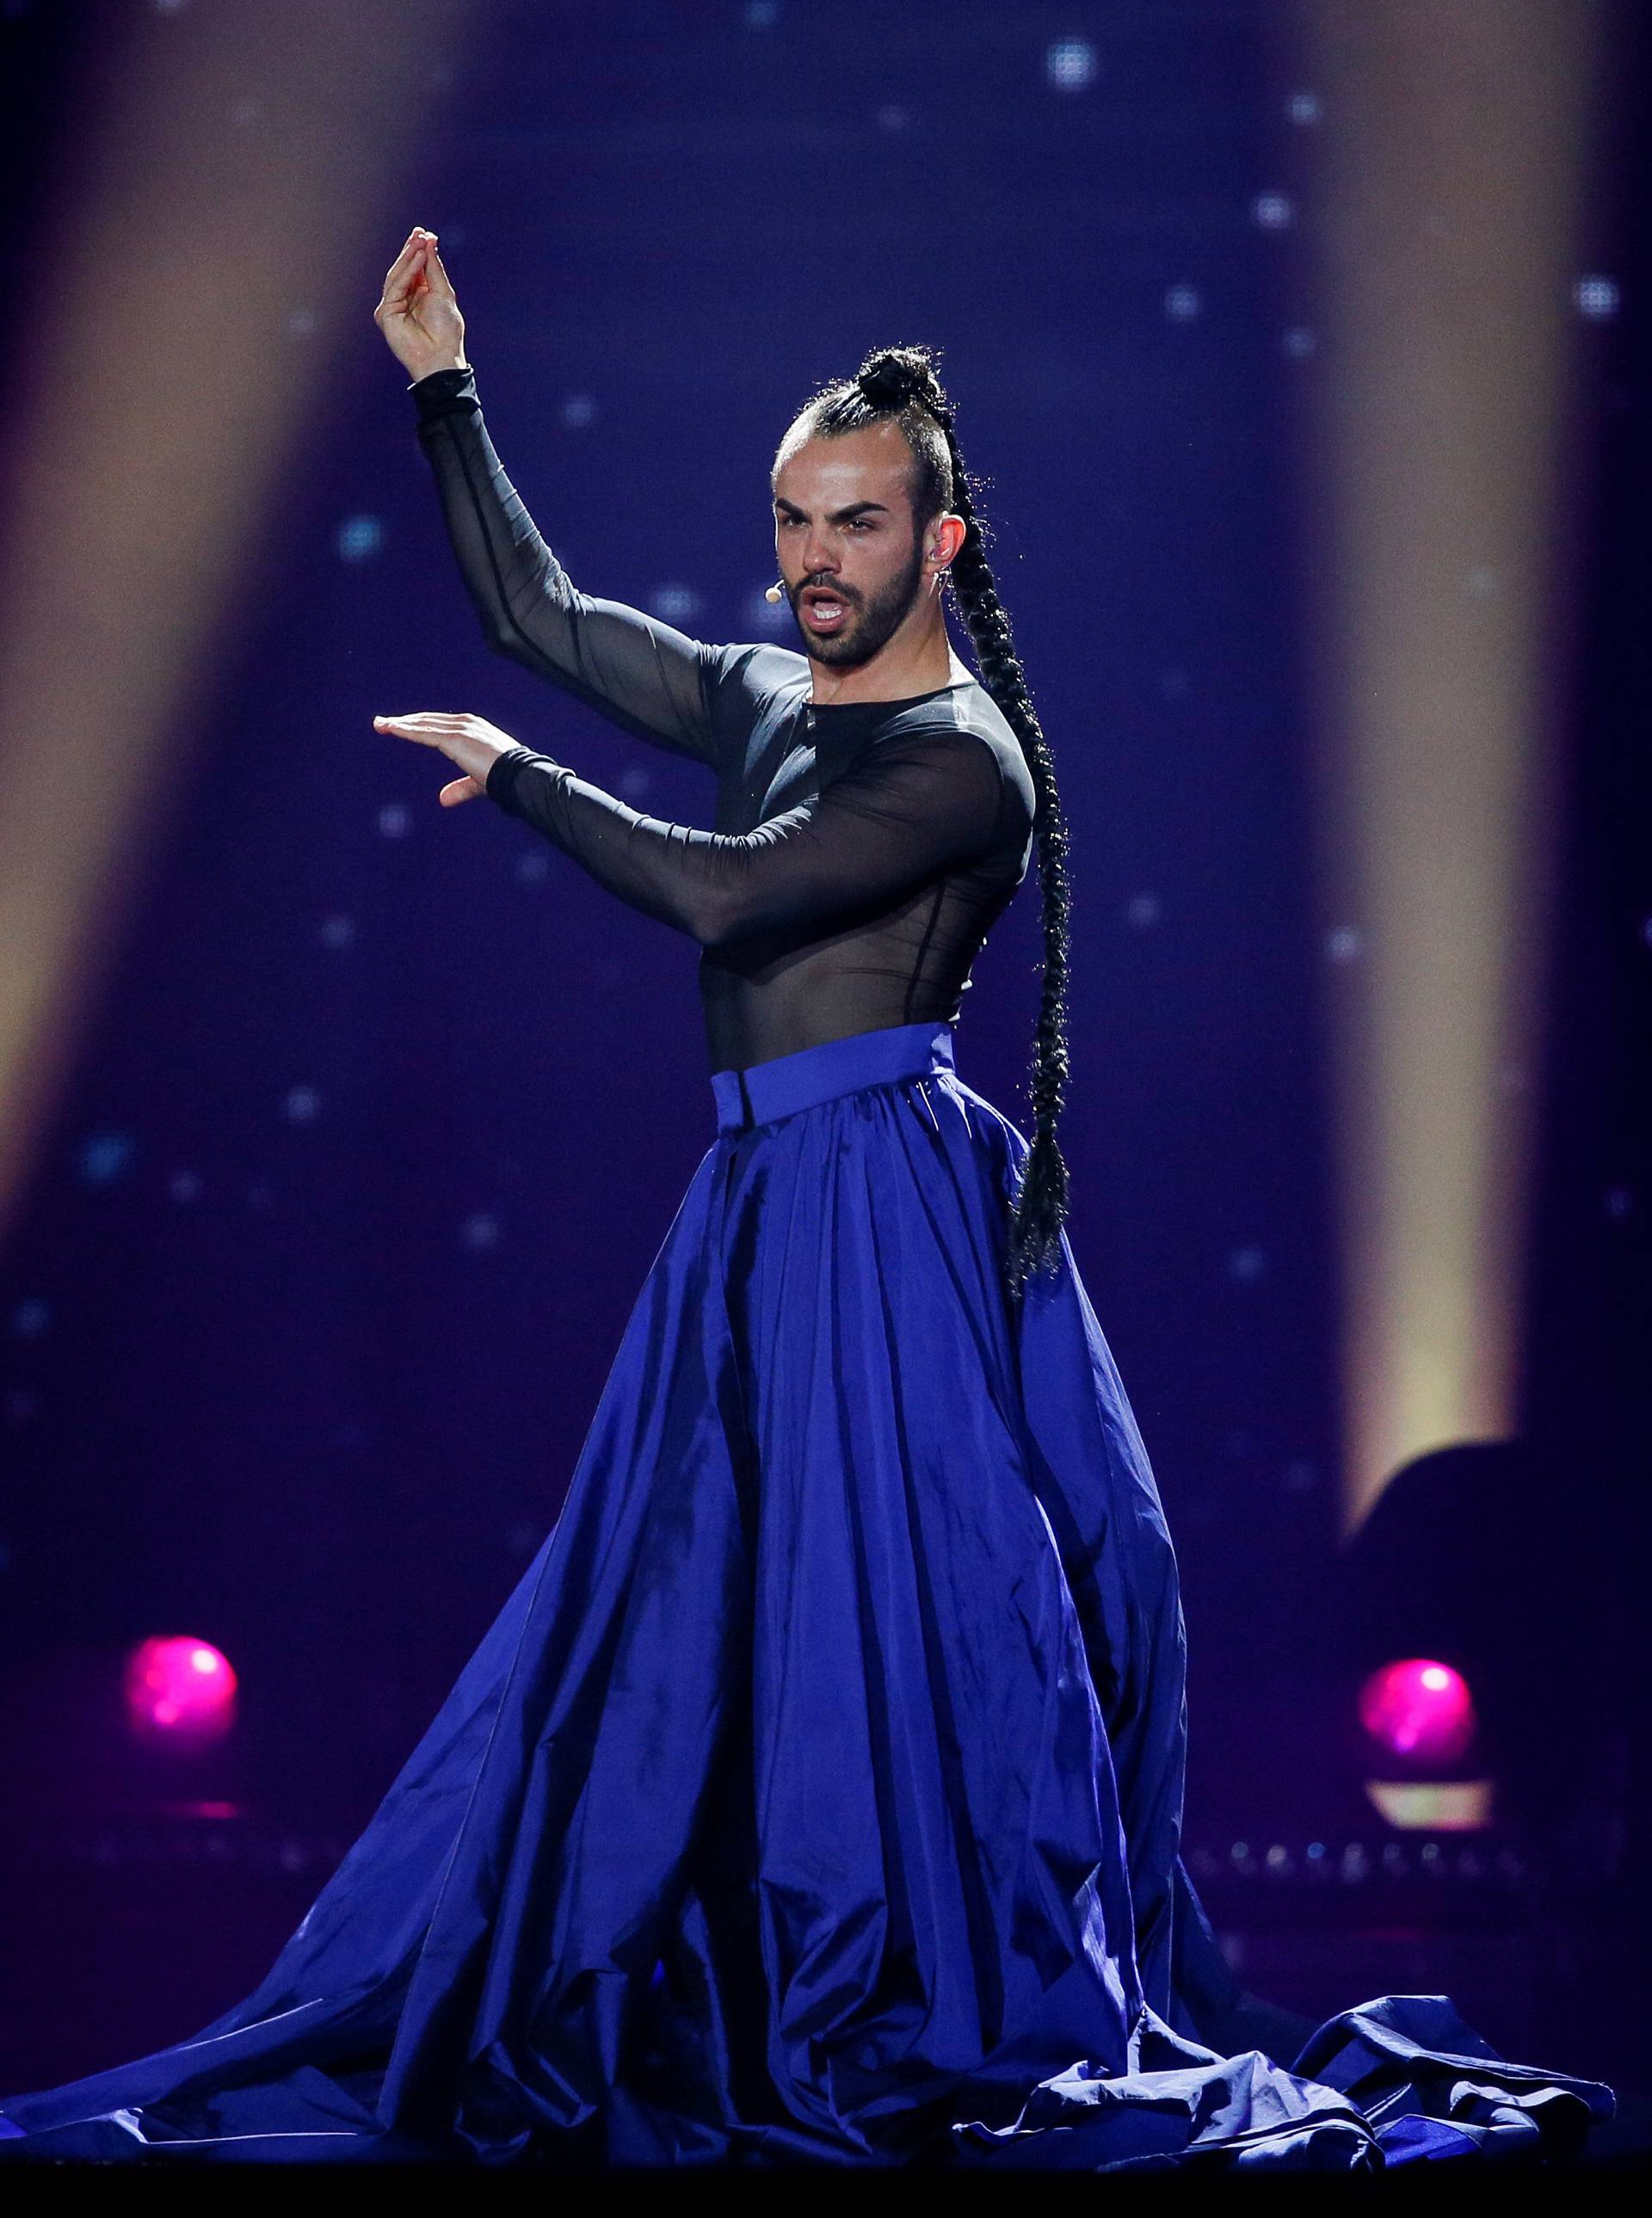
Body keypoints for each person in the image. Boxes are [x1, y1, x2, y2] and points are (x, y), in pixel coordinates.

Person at [0, 230, 1612, 2170]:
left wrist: (517, 781)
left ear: (938, 542)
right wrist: (444, 388)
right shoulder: (778, 682)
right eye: (791, 521)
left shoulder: (966, 765)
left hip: (885, 1217)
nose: (813, 559)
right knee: (687, 1634)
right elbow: (539, 611)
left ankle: (901, 1995)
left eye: (853, 523)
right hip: (758, 1204)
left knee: (902, 1639)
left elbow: (733, 893)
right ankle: (715, 1984)